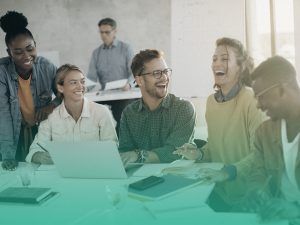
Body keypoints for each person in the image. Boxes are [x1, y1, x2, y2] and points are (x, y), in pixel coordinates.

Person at [201, 56, 300, 223]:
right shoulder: (265, 133)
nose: (259, 105)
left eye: (261, 96)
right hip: (276, 217)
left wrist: (295, 210)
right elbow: (258, 173)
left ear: (282, 89)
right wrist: (256, 193)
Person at [174, 37, 265, 211]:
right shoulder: (211, 102)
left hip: (249, 197)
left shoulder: (251, 99)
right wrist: (199, 154)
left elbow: (260, 153)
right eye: (214, 59)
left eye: (224, 59)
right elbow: (215, 148)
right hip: (218, 192)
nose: (217, 63)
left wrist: (227, 172)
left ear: (240, 66)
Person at [0, 11, 60, 170]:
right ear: (9, 53)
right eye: (18, 52)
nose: (26, 56)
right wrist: (7, 155)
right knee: (18, 175)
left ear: (35, 45)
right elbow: (3, 115)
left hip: (43, 131)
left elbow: (64, 93)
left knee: (45, 172)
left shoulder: (46, 67)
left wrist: (51, 106)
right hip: (14, 134)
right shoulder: (2, 72)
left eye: (30, 48)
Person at [26, 64, 117, 164]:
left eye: (82, 82)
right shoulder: (51, 117)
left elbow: (112, 149)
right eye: (73, 82)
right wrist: (39, 156)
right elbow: (34, 150)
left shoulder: (101, 112)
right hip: (62, 175)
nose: (80, 87)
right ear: (60, 88)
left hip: (94, 170)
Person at [118, 49, 196, 164]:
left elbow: (175, 152)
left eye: (166, 72)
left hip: (176, 177)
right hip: (139, 178)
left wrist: (139, 156)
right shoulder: (129, 113)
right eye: (157, 73)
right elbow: (126, 154)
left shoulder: (183, 108)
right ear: (139, 80)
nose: (164, 77)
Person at [87, 17, 135, 134]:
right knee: (88, 111)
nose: (104, 35)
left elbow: (134, 72)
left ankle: (121, 146)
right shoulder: (96, 53)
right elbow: (91, 78)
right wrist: (84, 88)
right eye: (101, 32)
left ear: (115, 31)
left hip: (123, 94)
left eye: (107, 32)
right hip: (105, 95)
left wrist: (128, 84)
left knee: (121, 117)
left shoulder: (126, 48)